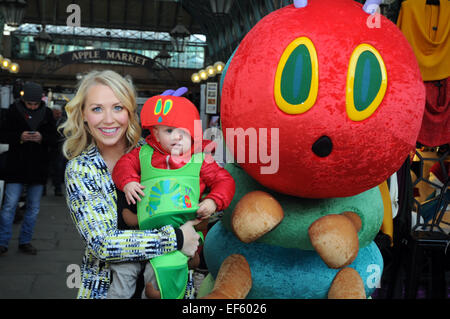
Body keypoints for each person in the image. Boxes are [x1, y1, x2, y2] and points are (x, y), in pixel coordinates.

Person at [60, 70, 201, 299]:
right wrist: (176, 238)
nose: (108, 119)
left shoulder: (156, 154)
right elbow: (102, 243)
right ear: (83, 114)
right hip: (108, 289)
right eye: (97, 108)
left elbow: (193, 197)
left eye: (118, 107)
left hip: (168, 285)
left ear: (130, 111)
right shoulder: (81, 169)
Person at [111, 88, 235, 299]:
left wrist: (214, 201)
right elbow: (123, 165)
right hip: (147, 230)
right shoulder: (143, 153)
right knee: (125, 277)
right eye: (169, 131)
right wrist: (129, 181)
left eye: (184, 132)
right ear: (156, 133)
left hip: (184, 229)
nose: (177, 137)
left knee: (163, 280)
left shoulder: (200, 159)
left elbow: (225, 181)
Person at [0, 82, 57, 256]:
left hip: (38, 167)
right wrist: (19, 137)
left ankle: (25, 241)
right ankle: (2, 242)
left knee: (33, 208)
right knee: (9, 206)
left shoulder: (46, 113)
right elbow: (2, 134)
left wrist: (41, 137)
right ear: (23, 100)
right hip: (16, 166)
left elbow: (54, 138)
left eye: (35, 104)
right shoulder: (12, 110)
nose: (32, 106)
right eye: (29, 104)